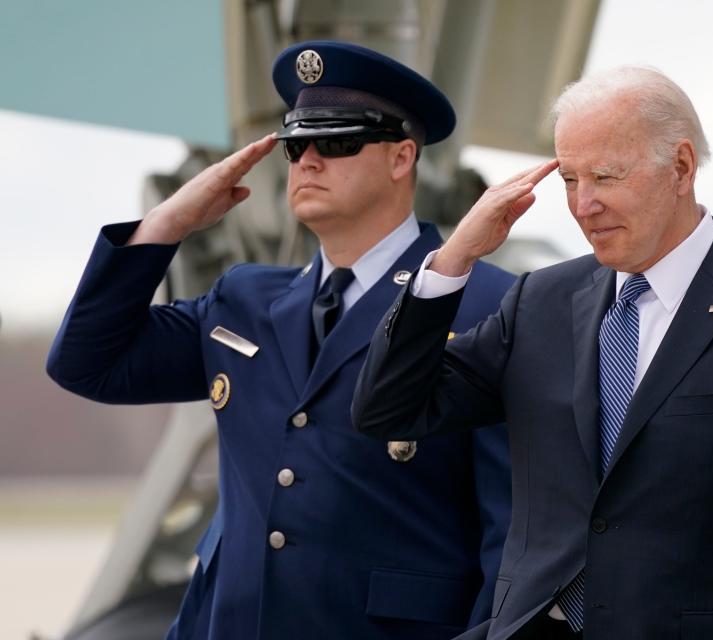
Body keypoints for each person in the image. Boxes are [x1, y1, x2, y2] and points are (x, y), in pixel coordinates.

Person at [353, 66, 713, 639]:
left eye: (604, 176)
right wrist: (453, 260)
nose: (583, 205)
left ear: (680, 167)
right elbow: (388, 409)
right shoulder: (539, 302)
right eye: (569, 179)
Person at [47, 41, 514, 640]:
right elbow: (89, 363)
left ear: (402, 158)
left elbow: (514, 530)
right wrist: (167, 227)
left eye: (338, 142)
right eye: (297, 145)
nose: (308, 162)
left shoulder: (487, 305)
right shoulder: (244, 299)